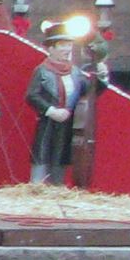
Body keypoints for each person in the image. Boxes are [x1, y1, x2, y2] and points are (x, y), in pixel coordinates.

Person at [27, 40, 99, 186]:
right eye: (62, 46)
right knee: (43, 150)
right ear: (51, 49)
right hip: (48, 121)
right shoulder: (42, 70)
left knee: (60, 153)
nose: (67, 49)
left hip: (67, 122)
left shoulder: (75, 71)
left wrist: (99, 75)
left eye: (69, 45)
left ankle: (57, 185)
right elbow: (31, 96)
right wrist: (51, 111)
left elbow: (88, 90)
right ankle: (37, 185)